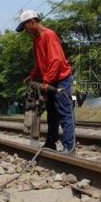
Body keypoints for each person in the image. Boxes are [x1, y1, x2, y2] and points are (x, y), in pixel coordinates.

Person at [16, 10, 75, 155]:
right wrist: (32, 75)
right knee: (52, 114)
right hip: (50, 80)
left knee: (64, 113)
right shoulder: (35, 39)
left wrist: (46, 81)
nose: (25, 31)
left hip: (61, 79)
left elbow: (56, 61)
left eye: (25, 27)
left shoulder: (49, 35)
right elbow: (40, 63)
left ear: (32, 22)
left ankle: (70, 147)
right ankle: (50, 143)